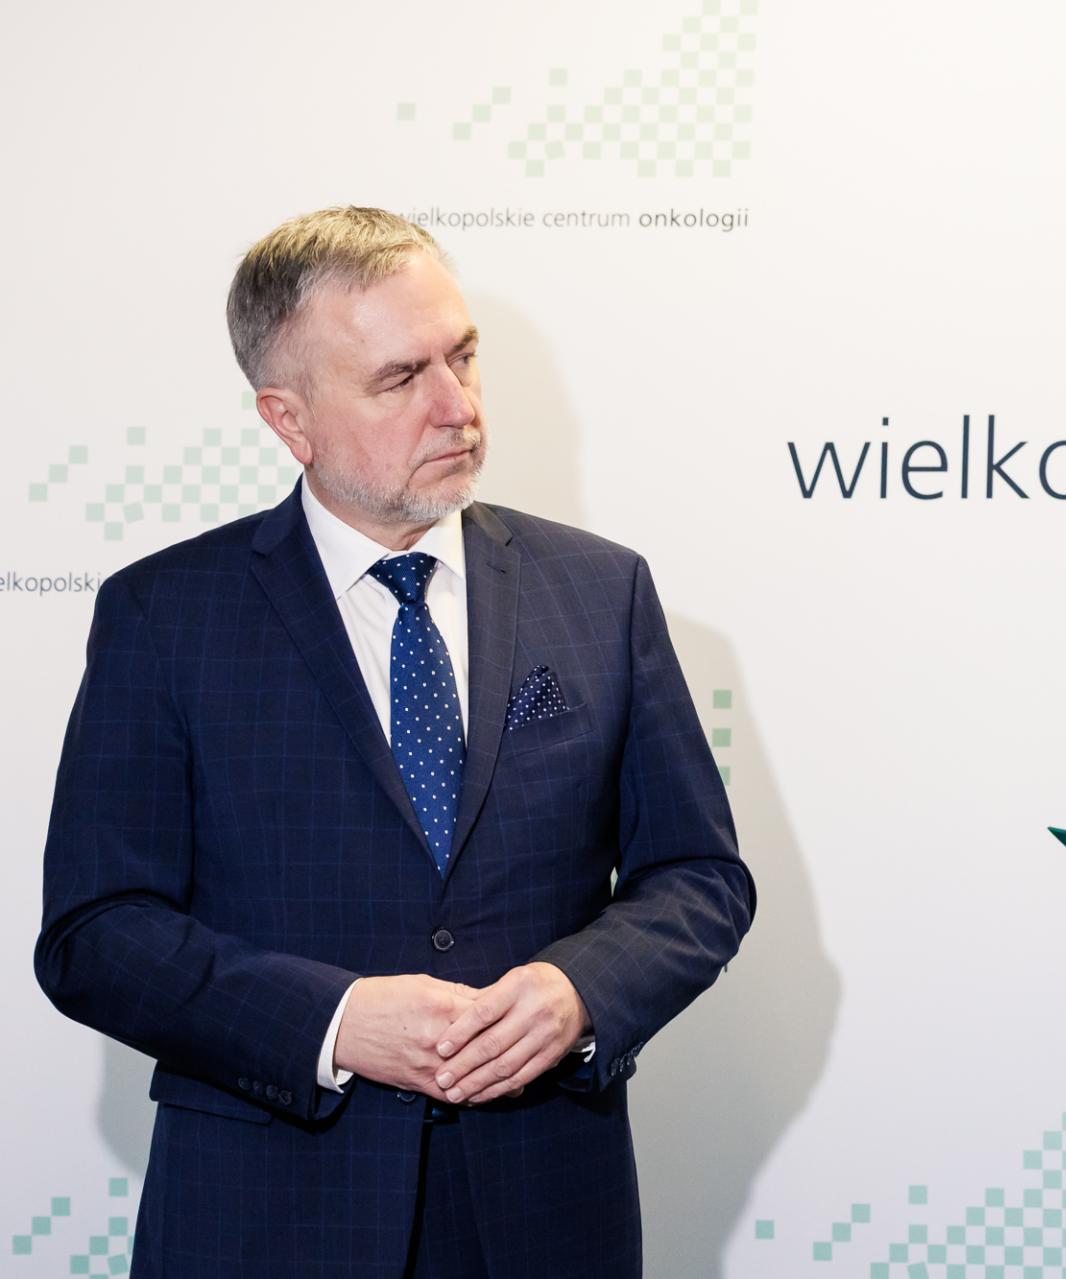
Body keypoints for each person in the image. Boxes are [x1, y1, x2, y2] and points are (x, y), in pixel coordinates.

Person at [35, 206, 755, 1277]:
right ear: (290, 418)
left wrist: (580, 991)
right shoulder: (165, 615)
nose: (457, 405)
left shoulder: (601, 590)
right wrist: (332, 1021)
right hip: (265, 1219)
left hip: (544, 1209)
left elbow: (699, 876)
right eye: (400, 377)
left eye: (463, 355)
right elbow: (95, 933)